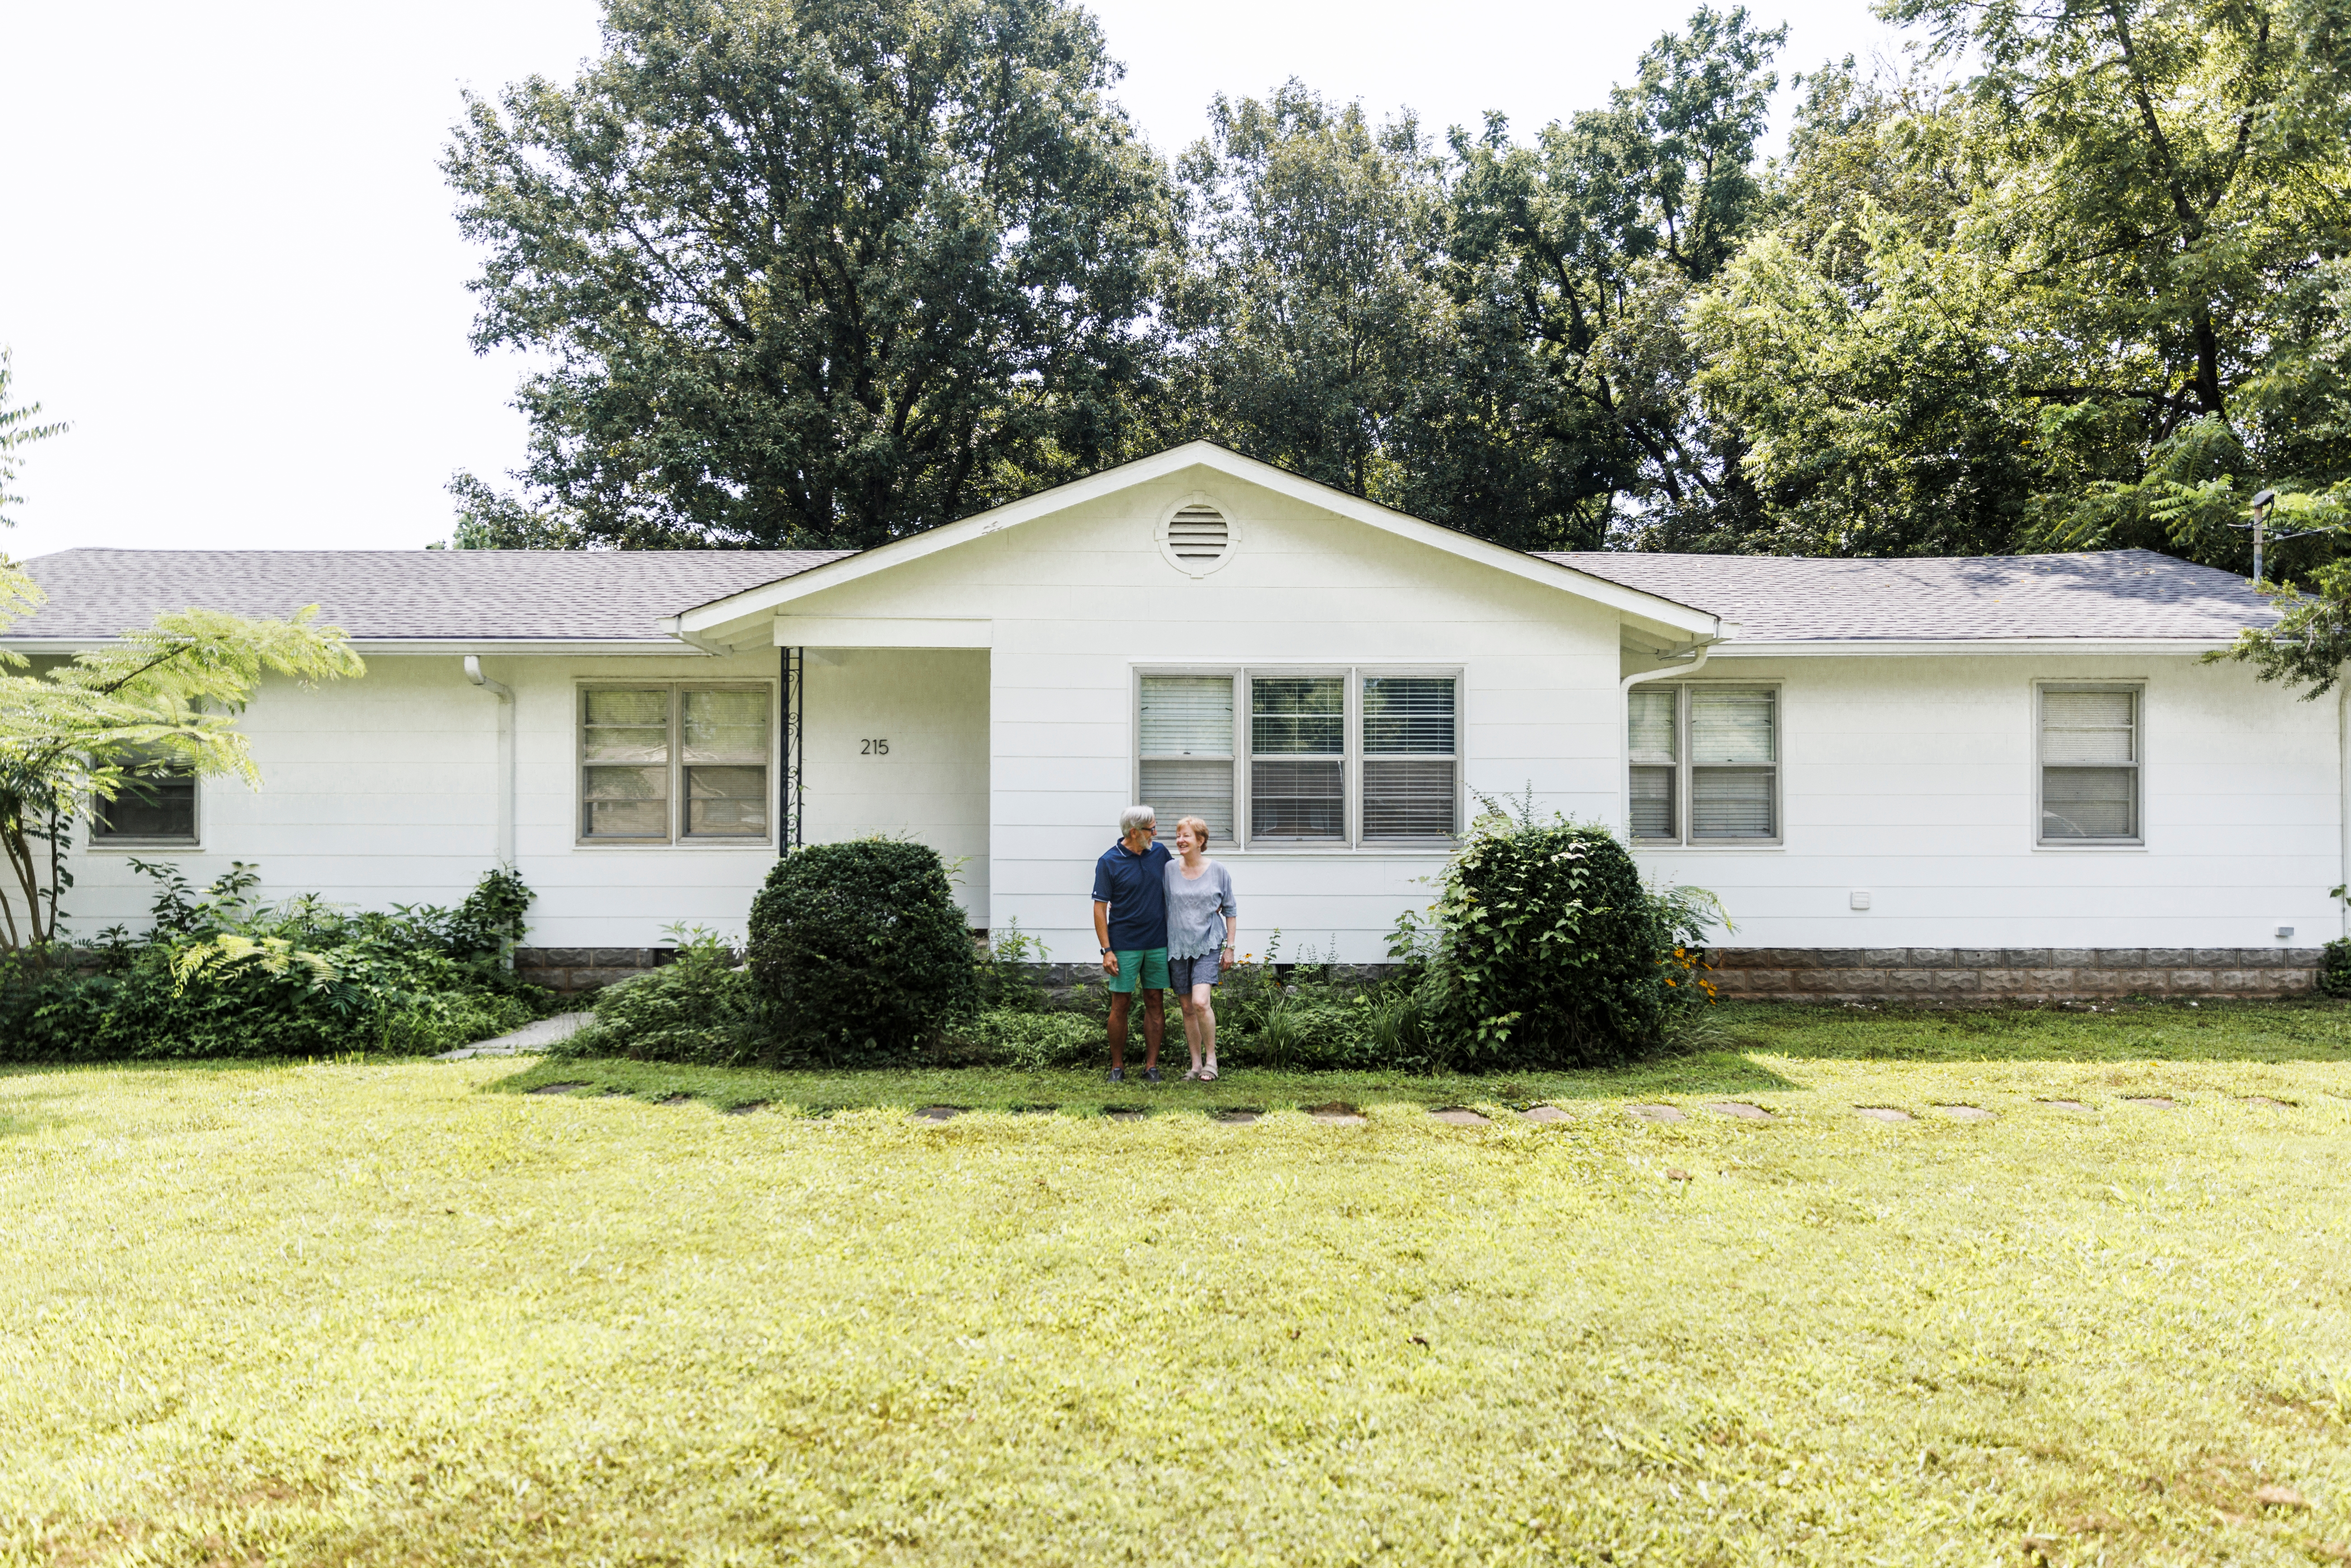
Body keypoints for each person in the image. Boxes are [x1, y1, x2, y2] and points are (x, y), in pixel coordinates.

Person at [1091, 804, 1170, 1082]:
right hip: (1123, 945)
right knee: (1120, 1005)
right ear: (1135, 832)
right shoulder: (1109, 862)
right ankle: (1117, 1066)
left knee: (1155, 1001)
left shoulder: (1160, 853)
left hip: (1158, 942)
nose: (1156, 833)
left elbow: (1182, 881)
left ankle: (1151, 1066)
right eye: (1151, 829)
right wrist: (1107, 950)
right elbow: (1100, 908)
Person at [1164, 816, 1238, 1081]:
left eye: (1186, 836)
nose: (1180, 841)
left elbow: (1230, 910)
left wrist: (1230, 948)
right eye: (1178, 835)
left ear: (1200, 841)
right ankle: (1195, 1065)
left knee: (1200, 1002)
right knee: (1186, 1008)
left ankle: (1211, 1061)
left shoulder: (1218, 871)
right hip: (1177, 946)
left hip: (1208, 943)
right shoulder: (1169, 870)